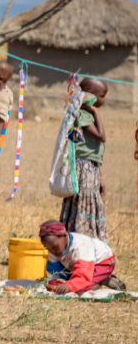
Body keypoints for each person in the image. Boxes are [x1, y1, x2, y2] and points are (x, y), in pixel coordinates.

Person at [60, 78, 108, 241]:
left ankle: (78, 240)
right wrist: (95, 111)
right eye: (102, 96)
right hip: (83, 167)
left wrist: (99, 177)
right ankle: (81, 240)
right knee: (83, 201)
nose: (104, 100)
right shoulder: (85, 114)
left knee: (82, 202)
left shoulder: (81, 113)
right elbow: (101, 137)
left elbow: (93, 154)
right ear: (92, 97)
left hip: (89, 165)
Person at [39, 220, 124, 293]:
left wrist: (69, 285)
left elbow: (83, 276)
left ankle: (105, 280)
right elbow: (55, 270)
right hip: (79, 266)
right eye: (47, 248)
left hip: (103, 263)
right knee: (65, 285)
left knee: (81, 288)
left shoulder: (81, 246)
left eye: (55, 247)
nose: (52, 251)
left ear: (64, 236)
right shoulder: (53, 247)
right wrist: (62, 282)